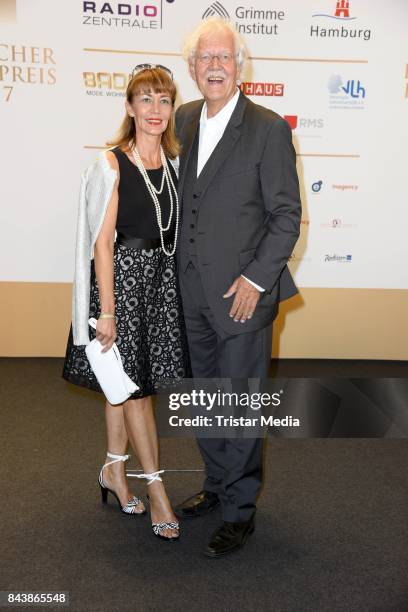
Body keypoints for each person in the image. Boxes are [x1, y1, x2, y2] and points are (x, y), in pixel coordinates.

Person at [174, 18, 301, 557]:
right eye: (206, 58)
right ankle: (216, 483)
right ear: (192, 68)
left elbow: (286, 215)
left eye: (225, 57)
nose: (216, 66)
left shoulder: (269, 128)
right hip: (190, 293)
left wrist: (255, 278)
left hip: (244, 296)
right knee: (205, 399)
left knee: (242, 405)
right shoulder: (180, 119)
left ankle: (240, 510)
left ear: (240, 66)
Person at [63, 65, 190, 541]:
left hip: (160, 286)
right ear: (130, 107)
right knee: (135, 393)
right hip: (122, 287)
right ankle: (156, 488)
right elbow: (101, 243)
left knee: (124, 386)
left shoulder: (175, 164)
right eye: (146, 100)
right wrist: (109, 311)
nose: (156, 110)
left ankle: (114, 472)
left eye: (164, 100)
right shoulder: (112, 164)